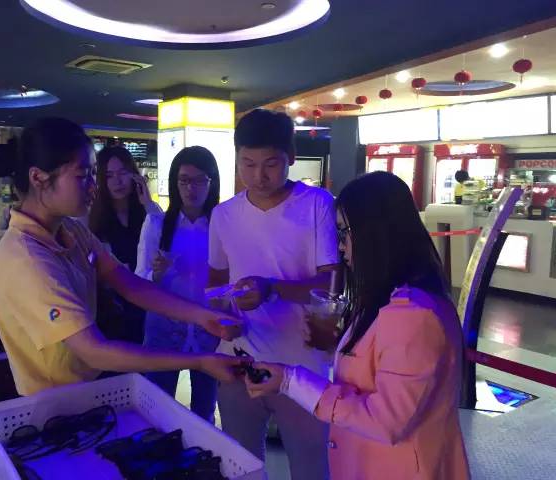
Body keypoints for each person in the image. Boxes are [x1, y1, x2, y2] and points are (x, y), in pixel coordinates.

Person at [0, 117, 244, 397]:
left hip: (86, 388)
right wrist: (200, 361)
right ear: (38, 178)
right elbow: (94, 351)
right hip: (53, 399)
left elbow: (128, 283)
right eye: (82, 176)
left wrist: (203, 316)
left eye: (92, 175)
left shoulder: (70, 230)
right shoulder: (27, 258)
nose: (93, 187)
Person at [246, 171, 470, 480]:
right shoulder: (385, 299)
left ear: (374, 233)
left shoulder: (413, 315)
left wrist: (290, 381)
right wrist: (336, 348)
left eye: (344, 232)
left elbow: (387, 421)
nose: (340, 247)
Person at [208, 109, 338, 479]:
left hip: (303, 366)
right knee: (241, 466)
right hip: (239, 360)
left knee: (311, 468)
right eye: (247, 164)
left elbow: (332, 285)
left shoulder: (316, 204)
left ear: (291, 157)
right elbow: (215, 284)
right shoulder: (224, 215)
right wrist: (221, 318)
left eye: (270, 164)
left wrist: (271, 289)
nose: (258, 176)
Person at [135, 146, 221, 423]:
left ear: (211, 182)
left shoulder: (221, 226)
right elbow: (139, 277)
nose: (190, 188)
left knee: (204, 412)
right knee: (158, 410)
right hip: (164, 331)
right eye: (184, 180)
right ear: (175, 182)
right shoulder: (158, 224)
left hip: (208, 332)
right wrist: (157, 275)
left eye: (199, 180)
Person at [89, 146, 161, 344]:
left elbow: (163, 238)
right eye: (109, 175)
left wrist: (147, 202)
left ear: (133, 175)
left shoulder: (147, 212)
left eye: (122, 173)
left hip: (147, 297)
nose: (117, 181)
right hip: (113, 304)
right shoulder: (95, 216)